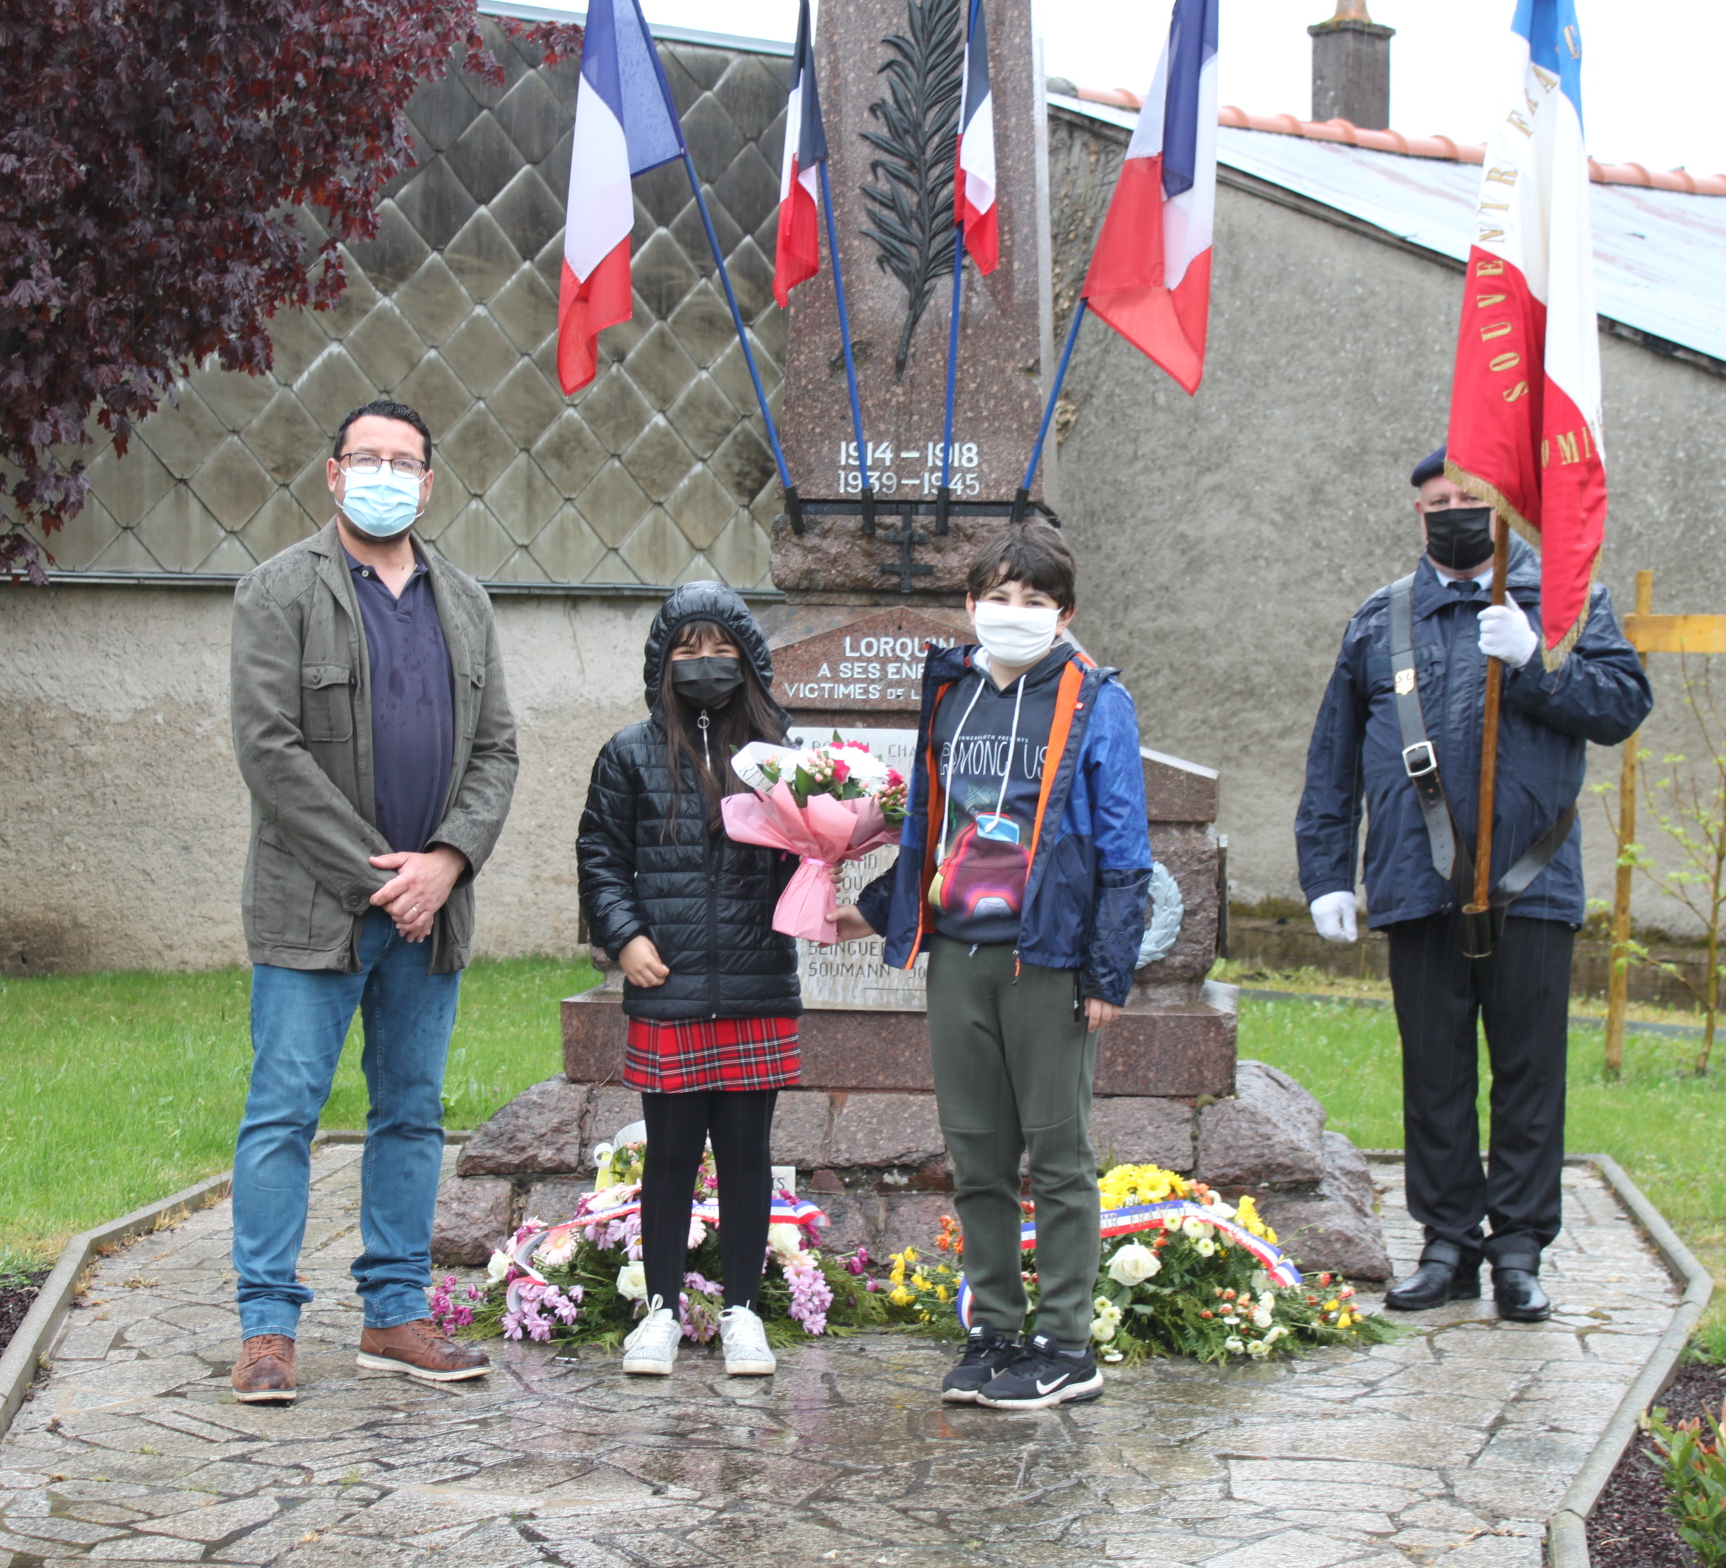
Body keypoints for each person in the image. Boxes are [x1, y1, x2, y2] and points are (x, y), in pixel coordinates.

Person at [1294, 445, 1650, 1323]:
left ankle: (1518, 1250)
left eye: (1469, 496)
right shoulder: (1381, 618)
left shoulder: (1565, 604)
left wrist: (1537, 659)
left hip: (1531, 882)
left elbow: (1621, 705)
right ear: (1417, 513)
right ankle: (1448, 1243)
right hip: (1416, 881)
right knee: (1436, 1073)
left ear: (1505, 507)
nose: (1452, 511)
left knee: (1529, 1073)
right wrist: (1326, 873)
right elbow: (1333, 758)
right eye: (1436, 500)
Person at [225, 398, 520, 1403]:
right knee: (283, 1113)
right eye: (367, 458)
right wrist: (381, 877)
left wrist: (446, 862)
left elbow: (496, 749)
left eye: (403, 461)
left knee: (412, 1115)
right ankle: (267, 1329)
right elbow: (269, 749)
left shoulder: (465, 602)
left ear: (428, 484)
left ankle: (395, 1314)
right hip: (314, 910)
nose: (383, 475)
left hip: (430, 915)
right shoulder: (278, 591)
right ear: (333, 472)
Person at [835, 522, 1152, 1410]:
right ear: (971, 604)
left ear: (1065, 614)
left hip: (1044, 959)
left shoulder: (1095, 700)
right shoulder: (953, 692)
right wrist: (868, 914)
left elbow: (1125, 849)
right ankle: (996, 1332)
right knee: (976, 1155)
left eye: (1035, 599)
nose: (1015, 612)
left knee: (1058, 1156)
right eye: (999, 597)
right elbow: (929, 827)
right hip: (958, 957)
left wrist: (1107, 973)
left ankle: (1066, 1343)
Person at [576, 582, 801, 1380]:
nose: (705, 663)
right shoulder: (628, 753)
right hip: (667, 986)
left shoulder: (778, 756)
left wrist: (823, 873)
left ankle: (744, 1311)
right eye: (687, 649)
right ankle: (661, 1312)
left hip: (754, 981)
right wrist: (625, 936)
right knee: (669, 1158)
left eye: (721, 648)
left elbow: (810, 852)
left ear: (749, 658)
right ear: (661, 661)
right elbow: (601, 856)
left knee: (747, 1157)